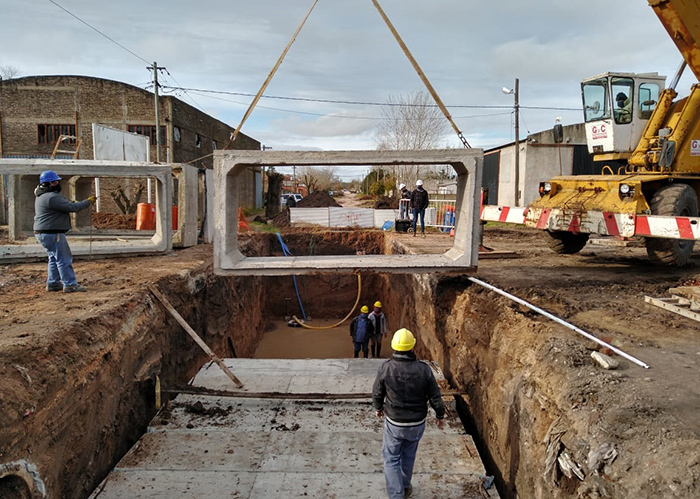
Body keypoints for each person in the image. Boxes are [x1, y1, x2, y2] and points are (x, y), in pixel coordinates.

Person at [372, 328, 446, 499]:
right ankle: (405, 486)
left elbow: (377, 392)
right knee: (408, 455)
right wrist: (440, 415)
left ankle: (396, 494)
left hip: (395, 423)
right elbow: (435, 395)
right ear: (413, 347)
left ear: (394, 347)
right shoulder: (423, 369)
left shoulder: (386, 368)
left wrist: (378, 408)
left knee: (391, 458)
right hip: (417, 424)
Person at [33, 170, 95, 293]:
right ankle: (70, 284)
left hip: (43, 233)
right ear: (49, 184)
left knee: (53, 257)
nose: (58, 183)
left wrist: (72, 203)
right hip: (52, 233)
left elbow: (64, 205)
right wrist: (88, 202)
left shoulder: (42, 195)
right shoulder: (52, 197)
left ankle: (53, 283)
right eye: (55, 182)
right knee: (63, 259)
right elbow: (72, 208)